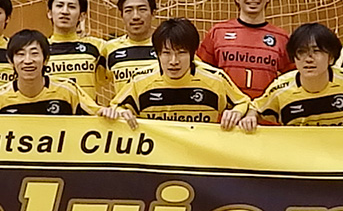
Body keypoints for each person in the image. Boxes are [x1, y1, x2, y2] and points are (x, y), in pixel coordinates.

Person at [106, 18, 255, 131]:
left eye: (181, 53)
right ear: (157, 54)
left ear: (193, 53)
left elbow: (244, 103)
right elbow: (115, 106)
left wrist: (237, 111)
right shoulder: (139, 81)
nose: (174, 61)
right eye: (166, 53)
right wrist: (120, 112)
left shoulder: (216, 79)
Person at [253, 23, 343, 128]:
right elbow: (255, 109)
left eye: (316, 51)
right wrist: (250, 118)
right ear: (294, 58)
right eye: (302, 52)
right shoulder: (280, 89)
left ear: (331, 58)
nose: (309, 59)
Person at [197, 0, 292, 99]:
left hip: (265, 112)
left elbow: (292, 78)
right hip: (227, 111)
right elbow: (202, 72)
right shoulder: (217, 32)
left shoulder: (282, 38)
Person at [0, 29, 108, 116]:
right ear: (11, 61)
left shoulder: (68, 91)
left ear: (45, 59)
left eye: (34, 54)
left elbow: (96, 113)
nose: (28, 61)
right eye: (21, 54)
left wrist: (108, 113)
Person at [46, 0, 108, 99]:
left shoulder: (99, 47)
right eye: (59, 5)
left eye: (72, 7)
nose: (65, 11)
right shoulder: (40, 48)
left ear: (82, 16)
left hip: (87, 111)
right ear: (49, 13)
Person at [103, 0, 159, 97]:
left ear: (153, 13)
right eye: (129, 10)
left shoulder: (168, 47)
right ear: (121, 15)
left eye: (142, 9)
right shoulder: (108, 49)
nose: (135, 16)